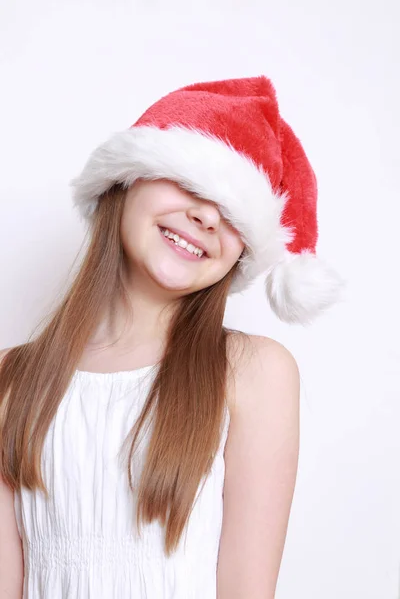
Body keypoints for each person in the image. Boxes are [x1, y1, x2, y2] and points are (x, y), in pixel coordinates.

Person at [0, 75, 344, 598]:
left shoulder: (251, 372)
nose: (207, 215)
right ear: (126, 180)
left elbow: (246, 590)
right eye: (191, 183)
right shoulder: (12, 380)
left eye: (233, 213)